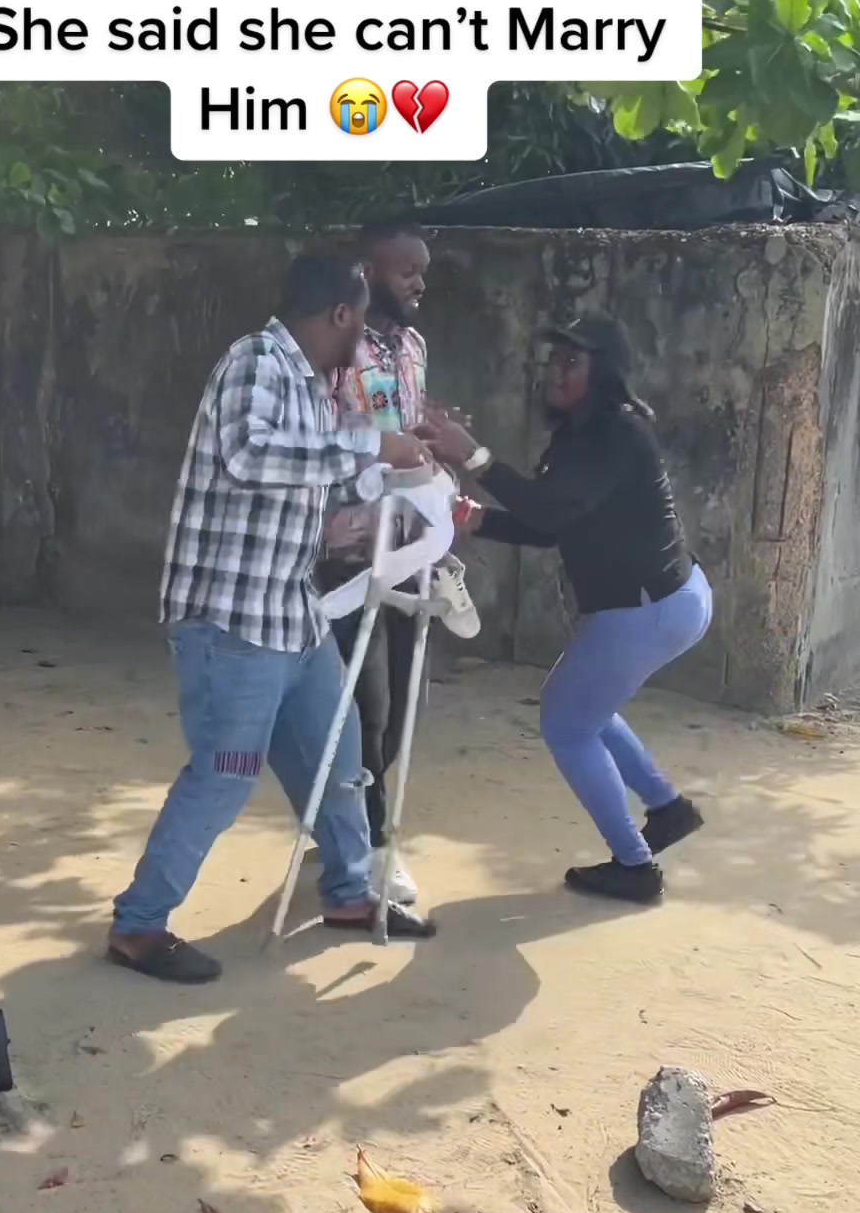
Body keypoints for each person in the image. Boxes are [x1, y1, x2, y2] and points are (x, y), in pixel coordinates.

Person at [108, 254, 438, 983]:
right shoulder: (255, 361)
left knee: (339, 757)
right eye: (360, 324)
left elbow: (308, 486)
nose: (363, 341)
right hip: (231, 623)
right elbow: (247, 455)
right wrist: (370, 442)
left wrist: (401, 487)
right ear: (341, 315)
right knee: (224, 776)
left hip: (290, 612)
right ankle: (138, 926)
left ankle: (349, 893)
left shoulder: (312, 388)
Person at [418, 314, 711, 905]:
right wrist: (477, 520)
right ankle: (667, 808)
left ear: (605, 372)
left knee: (567, 723)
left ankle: (635, 867)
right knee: (585, 707)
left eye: (571, 361)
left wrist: (474, 456)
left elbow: (550, 510)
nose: (555, 371)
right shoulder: (581, 438)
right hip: (667, 599)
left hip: (646, 608)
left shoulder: (617, 435)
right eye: (553, 359)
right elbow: (553, 524)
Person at [319, 220, 477, 904]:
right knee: (364, 704)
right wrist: (394, 445)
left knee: (403, 702)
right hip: (351, 548)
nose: (419, 283)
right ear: (367, 270)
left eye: (423, 272)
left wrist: (430, 435)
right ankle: (369, 846)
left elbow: (402, 428)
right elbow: (342, 436)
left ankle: (363, 836)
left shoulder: (412, 347)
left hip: (411, 545)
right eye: (406, 269)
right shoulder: (338, 347)